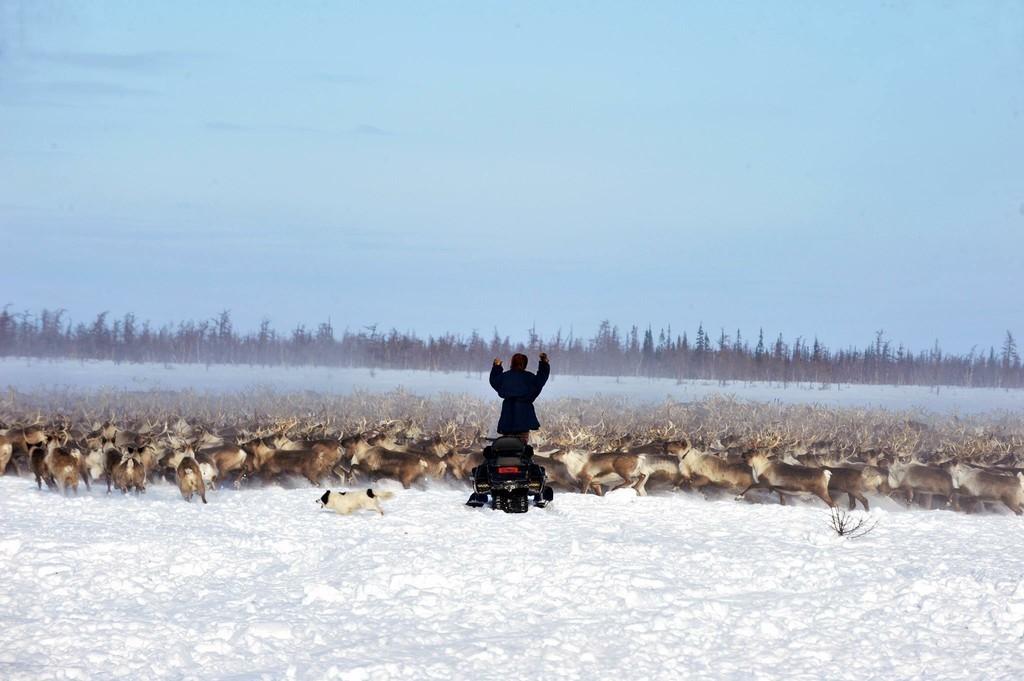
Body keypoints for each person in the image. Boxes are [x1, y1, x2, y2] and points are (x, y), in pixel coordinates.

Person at [489, 352, 550, 443]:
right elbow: (540, 380)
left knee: (507, 446)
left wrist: (497, 367)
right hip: (524, 421)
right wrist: (544, 363)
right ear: (525, 364)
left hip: (507, 420)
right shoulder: (529, 377)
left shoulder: (505, 377)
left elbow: (494, 381)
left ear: (512, 363)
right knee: (521, 448)